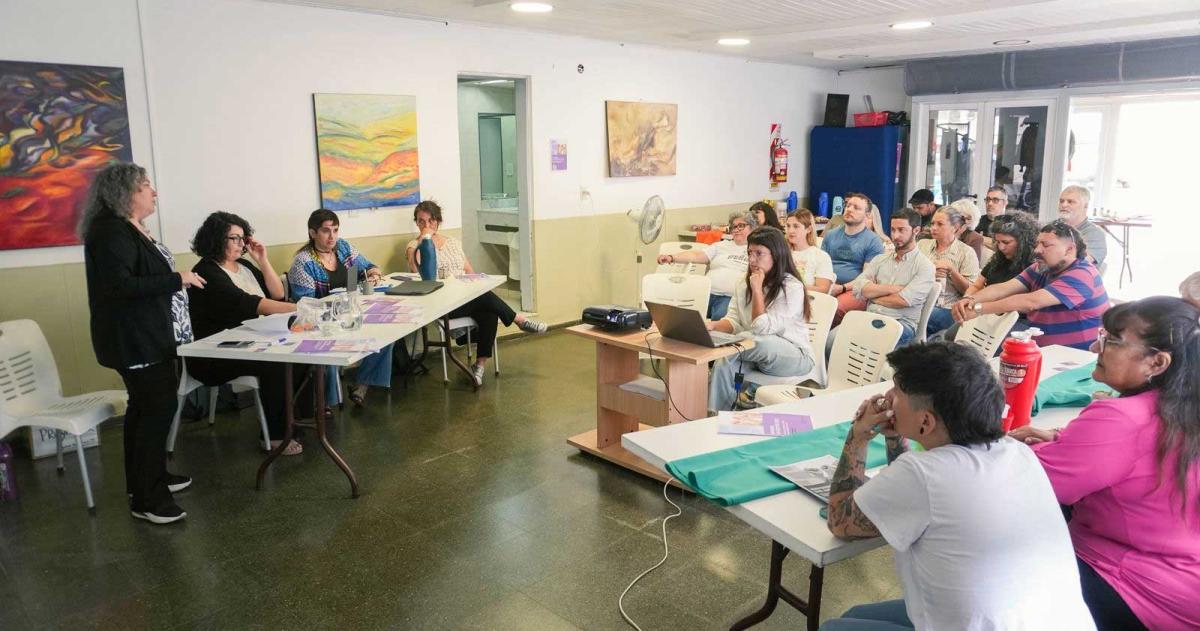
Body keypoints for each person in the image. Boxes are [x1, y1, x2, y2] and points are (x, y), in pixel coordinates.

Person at [821, 342, 1095, 631]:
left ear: (925, 422)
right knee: (857, 613)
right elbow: (913, 490)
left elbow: (841, 523)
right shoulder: (1017, 453)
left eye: (897, 391)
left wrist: (858, 437)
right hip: (1053, 620)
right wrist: (894, 437)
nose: (887, 398)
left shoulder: (922, 474)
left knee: (833, 628)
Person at [1010, 297, 1200, 630]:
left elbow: (1029, 482)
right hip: (1184, 581)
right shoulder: (1182, 410)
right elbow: (1140, 459)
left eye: (1112, 341)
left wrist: (1005, 448)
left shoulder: (1122, 419)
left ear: (1156, 363)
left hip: (1134, 585)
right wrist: (1065, 443)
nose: (1098, 347)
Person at [80, 162, 204, 525]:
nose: (154, 192)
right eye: (146, 186)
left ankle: (145, 480)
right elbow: (117, 287)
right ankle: (148, 499)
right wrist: (175, 279)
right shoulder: (109, 232)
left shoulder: (131, 228)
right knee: (156, 410)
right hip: (134, 340)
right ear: (125, 193)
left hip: (152, 335)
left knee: (146, 410)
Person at [186, 212, 303, 456]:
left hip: (252, 339)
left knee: (303, 355)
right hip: (215, 352)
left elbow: (277, 295)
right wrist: (303, 308)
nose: (242, 244)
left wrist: (262, 260)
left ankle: (297, 419)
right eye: (235, 238)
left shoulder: (245, 266)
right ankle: (274, 435)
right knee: (276, 364)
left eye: (243, 238)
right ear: (217, 239)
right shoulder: (207, 271)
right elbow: (250, 303)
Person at [405, 200, 546, 386]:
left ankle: (479, 367)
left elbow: (469, 270)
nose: (427, 226)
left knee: (488, 312)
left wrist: (477, 283)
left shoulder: (453, 243)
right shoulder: (414, 246)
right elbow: (416, 272)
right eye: (421, 221)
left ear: (438, 221)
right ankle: (519, 320)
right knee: (485, 298)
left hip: (465, 296)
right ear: (416, 223)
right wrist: (424, 241)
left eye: (431, 221)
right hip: (443, 302)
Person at [289, 209, 394, 406]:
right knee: (327, 353)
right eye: (326, 231)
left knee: (387, 334)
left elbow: (370, 266)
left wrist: (374, 275)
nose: (332, 236)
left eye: (335, 230)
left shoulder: (343, 248)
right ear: (313, 233)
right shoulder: (303, 262)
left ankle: (362, 384)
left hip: (349, 314)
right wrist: (337, 307)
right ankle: (325, 404)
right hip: (321, 323)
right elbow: (306, 306)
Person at [952, 220, 1108, 350]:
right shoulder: (1040, 268)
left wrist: (979, 309)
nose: (1037, 250)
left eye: (1046, 245)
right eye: (1037, 244)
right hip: (1045, 351)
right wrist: (971, 300)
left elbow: (1030, 302)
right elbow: (1004, 288)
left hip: (1075, 358)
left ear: (1069, 250)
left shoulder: (1082, 273)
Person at [706, 227, 814, 412]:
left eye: (759, 253)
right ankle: (715, 416)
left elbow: (761, 329)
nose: (752, 260)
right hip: (755, 353)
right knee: (725, 361)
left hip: (795, 357)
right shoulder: (743, 283)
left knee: (752, 341)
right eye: (749, 253)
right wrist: (712, 325)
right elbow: (733, 321)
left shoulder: (791, 286)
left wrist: (757, 290)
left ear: (777, 255)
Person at [833, 208, 935, 346]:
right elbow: (858, 288)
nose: (895, 235)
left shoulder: (925, 266)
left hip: (901, 323)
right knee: (830, 341)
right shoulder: (880, 260)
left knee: (858, 344)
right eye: (892, 230)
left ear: (916, 231)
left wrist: (871, 294)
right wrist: (891, 289)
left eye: (901, 230)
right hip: (870, 317)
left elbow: (902, 300)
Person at [657, 211, 754, 319]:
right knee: (683, 316)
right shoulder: (721, 246)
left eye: (741, 226)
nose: (736, 230)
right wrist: (671, 257)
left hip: (730, 297)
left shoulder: (756, 250)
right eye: (734, 227)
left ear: (752, 228)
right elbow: (696, 255)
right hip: (705, 293)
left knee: (720, 319)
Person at [917, 205, 980, 337]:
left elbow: (970, 291)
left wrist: (952, 271)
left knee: (915, 317)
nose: (933, 228)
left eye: (940, 224)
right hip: (919, 301)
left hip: (948, 307)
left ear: (955, 227)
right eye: (932, 223)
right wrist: (929, 274)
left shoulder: (966, 252)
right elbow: (907, 274)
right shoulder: (922, 245)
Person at [822, 193, 885, 319]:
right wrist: (824, 285)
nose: (849, 209)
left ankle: (827, 338)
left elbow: (866, 278)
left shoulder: (873, 241)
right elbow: (822, 265)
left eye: (856, 208)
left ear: (867, 215)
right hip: (829, 284)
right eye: (848, 205)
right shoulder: (831, 235)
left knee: (835, 309)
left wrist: (842, 288)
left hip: (855, 290)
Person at [784, 209, 834, 294]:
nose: (790, 231)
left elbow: (823, 289)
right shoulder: (781, 252)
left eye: (796, 226)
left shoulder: (820, 256)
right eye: (788, 226)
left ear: (809, 229)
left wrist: (793, 287)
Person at [1058, 185, 1108, 267]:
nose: (1064, 205)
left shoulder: (1095, 235)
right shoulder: (1051, 228)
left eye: (1070, 202)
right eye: (1061, 201)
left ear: (1086, 206)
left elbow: (1077, 264)